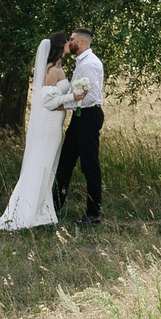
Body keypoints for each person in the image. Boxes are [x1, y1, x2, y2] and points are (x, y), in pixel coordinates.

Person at [0, 34, 75, 230]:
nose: (68, 44)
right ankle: (28, 212)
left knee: (48, 168)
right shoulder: (53, 70)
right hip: (49, 125)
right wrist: (72, 98)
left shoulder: (57, 68)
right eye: (65, 41)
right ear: (59, 45)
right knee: (42, 166)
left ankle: (41, 211)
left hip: (54, 125)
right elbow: (47, 102)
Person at [50, 27, 104, 226]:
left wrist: (64, 104)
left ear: (81, 41)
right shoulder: (82, 62)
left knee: (89, 165)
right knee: (66, 162)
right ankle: (54, 208)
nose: (69, 42)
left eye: (71, 39)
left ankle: (93, 213)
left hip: (88, 116)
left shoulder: (89, 63)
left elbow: (89, 96)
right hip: (80, 117)